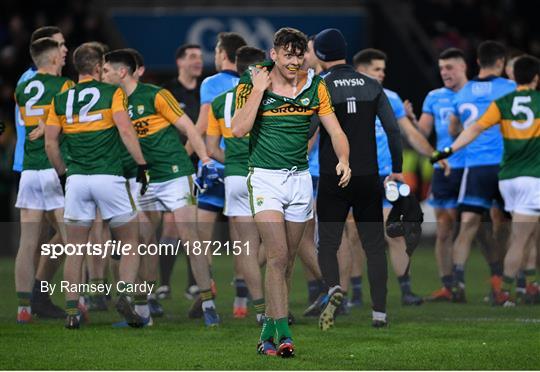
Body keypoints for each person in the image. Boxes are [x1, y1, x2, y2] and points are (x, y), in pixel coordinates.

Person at [231, 27, 350, 357]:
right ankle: (285, 336)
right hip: (265, 179)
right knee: (278, 254)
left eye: (299, 55)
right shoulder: (252, 81)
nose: (294, 61)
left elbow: (335, 129)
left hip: (299, 179)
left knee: (284, 264)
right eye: (288, 54)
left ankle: (267, 332)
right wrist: (257, 91)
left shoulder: (316, 86)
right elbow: (238, 129)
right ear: (274, 55)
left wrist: (344, 159)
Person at [102, 49, 221, 327]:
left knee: (189, 236)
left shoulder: (155, 95)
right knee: (143, 242)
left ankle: (208, 304)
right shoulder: (113, 100)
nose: (102, 74)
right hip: (142, 178)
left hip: (173, 172)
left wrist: (204, 158)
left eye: (106, 69)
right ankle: (144, 311)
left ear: (122, 72)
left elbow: (190, 128)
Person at [44, 42, 149, 329]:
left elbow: (51, 143)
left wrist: (64, 174)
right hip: (109, 178)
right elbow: (126, 130)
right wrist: (141, 164)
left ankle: (71, 311)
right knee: (130, 241)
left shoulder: (60, 99)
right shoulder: (112, 93)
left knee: (76, 248)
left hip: (77, 179)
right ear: (99, 66)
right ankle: (125, 294)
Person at [431, 55, 540, 305]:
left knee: (469, 225)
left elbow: (473, 128)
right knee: (524, 234)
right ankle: (517, 288)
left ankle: (458, 282)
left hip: (504, 176)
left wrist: (449, 150)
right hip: (530, 175)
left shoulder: (501, 102)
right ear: (535, 78)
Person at [353, 48, 443, 306]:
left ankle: (405, 290)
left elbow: (411, 135)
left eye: (383, 69)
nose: (382, 73)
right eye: (376, 69)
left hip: (386, 177)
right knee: (354, 237)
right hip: (357, 176)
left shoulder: (390, 98)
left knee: (394, 233)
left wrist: (434, 155)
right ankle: (356, 294)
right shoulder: (344, 96)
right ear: (361, 70)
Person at [446, 41, 516, 302]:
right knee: (507, 226)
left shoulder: (462, 93)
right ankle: (503, 284)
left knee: (467, 227)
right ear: (500, 62)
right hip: (506, 166)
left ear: (477, 62)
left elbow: (454, 129)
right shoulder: (510, 88)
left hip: (474, 167)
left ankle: (457, 283)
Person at [13, 37, 74, 323]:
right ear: (51, 59)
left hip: (28, 170)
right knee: (73, 237)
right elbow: (68, 125)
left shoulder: (22, 88)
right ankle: (80, 301)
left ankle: (24, 308)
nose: (65, 57)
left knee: (27, 242)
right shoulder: (64, 86)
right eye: (60, 53)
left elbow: (33, 118)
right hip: (52, 169)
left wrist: (40, 122)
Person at [206, 46, 267, 323]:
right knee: (278, 243)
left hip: (233, 177)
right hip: (263, 174)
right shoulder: (266, 96)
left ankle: (257, 309)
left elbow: (210, 148)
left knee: (245, 246)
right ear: (257, 70)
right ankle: (277, 303)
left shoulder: (218, 102)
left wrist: (231, 158)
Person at [190, 32, 247, 318]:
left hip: (216, 167)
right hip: (244, 170)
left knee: (202, 236)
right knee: (242, 238)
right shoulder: (253, 85)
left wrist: (185, 154)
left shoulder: (212, 84)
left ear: (224, 54)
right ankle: (241, 300)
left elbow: (201, 126)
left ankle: (206, 294)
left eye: (215, 50)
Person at [412, 48, 469, 301]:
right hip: (444, 170)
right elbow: (422, 133)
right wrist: (411, 121)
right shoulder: (434, 97)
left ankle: (497, 281)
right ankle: (449, 285)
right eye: (442, 68)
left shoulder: (477, 94)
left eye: (450, 68)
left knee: (483, 227)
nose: (444, 73)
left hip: (474, 168)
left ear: (463, 67)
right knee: (445, 229)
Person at [159, 44, 203, 301]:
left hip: (200, 166)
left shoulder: (203, 90)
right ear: (179, 62)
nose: (198, 61)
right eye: (192, 57)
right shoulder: (168, 91)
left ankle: (193, 285)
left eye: (199, 57)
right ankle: (164, 283)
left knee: (193, 225)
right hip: (173, 166)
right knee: (172, 224)